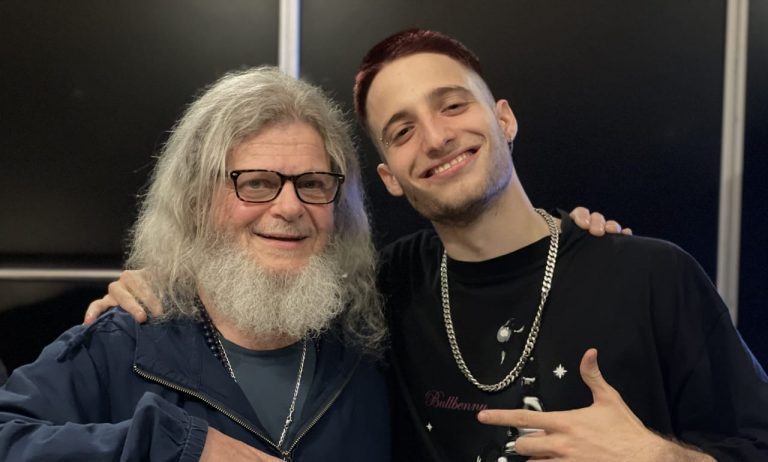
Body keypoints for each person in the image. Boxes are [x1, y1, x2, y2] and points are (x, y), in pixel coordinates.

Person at [84, 29, 767, 461]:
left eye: (453, 105)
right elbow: (263, 276)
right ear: (390, 177)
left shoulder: (652, 277)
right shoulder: (380, 292)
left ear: (503, 118)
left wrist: (657, 457)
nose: (436, 138)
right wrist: (163, 281)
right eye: (402, 130)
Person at [0, 66, 390, 461]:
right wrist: (175, 447)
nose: (290, 207)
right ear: (195, 202)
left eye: (312, 183)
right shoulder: (120, 345)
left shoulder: (372, 349)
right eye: (256, 183)